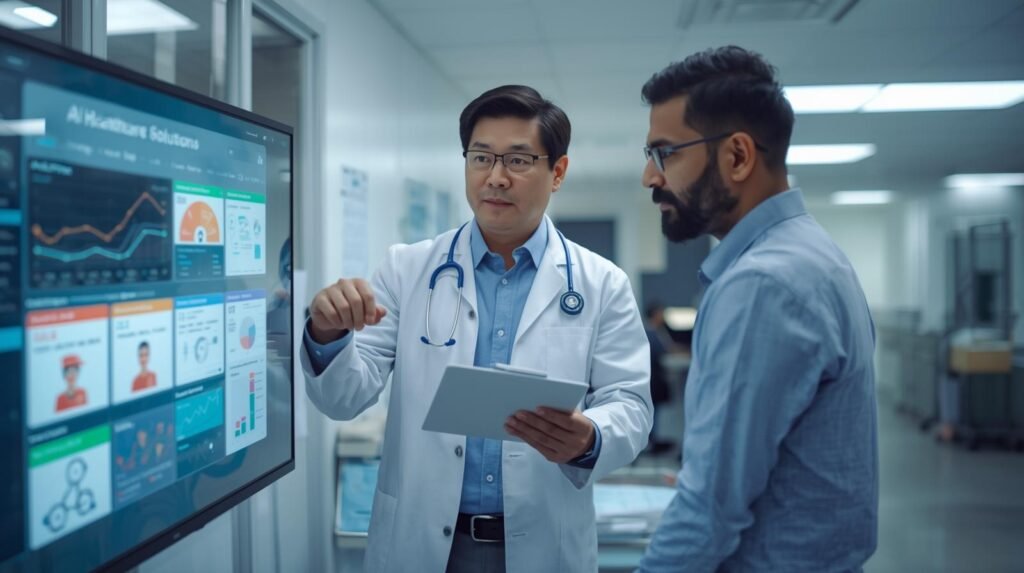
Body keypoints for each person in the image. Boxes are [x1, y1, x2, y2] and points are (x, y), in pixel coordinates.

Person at [302, 85, 652, 573]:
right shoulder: (407, 269)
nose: (496, 177)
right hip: (424, 545)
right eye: (481, 157)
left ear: (558, 172)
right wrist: (326, 334)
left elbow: (631, 405)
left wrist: (590, 437)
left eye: (518, 160)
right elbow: (344, 398)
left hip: (543, 545)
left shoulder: (602, 283)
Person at [637, 47, 878, 571]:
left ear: (738, 156)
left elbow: (710, 509)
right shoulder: (815, 255)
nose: (650, 177)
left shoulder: (762, 284)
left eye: (665, 153)